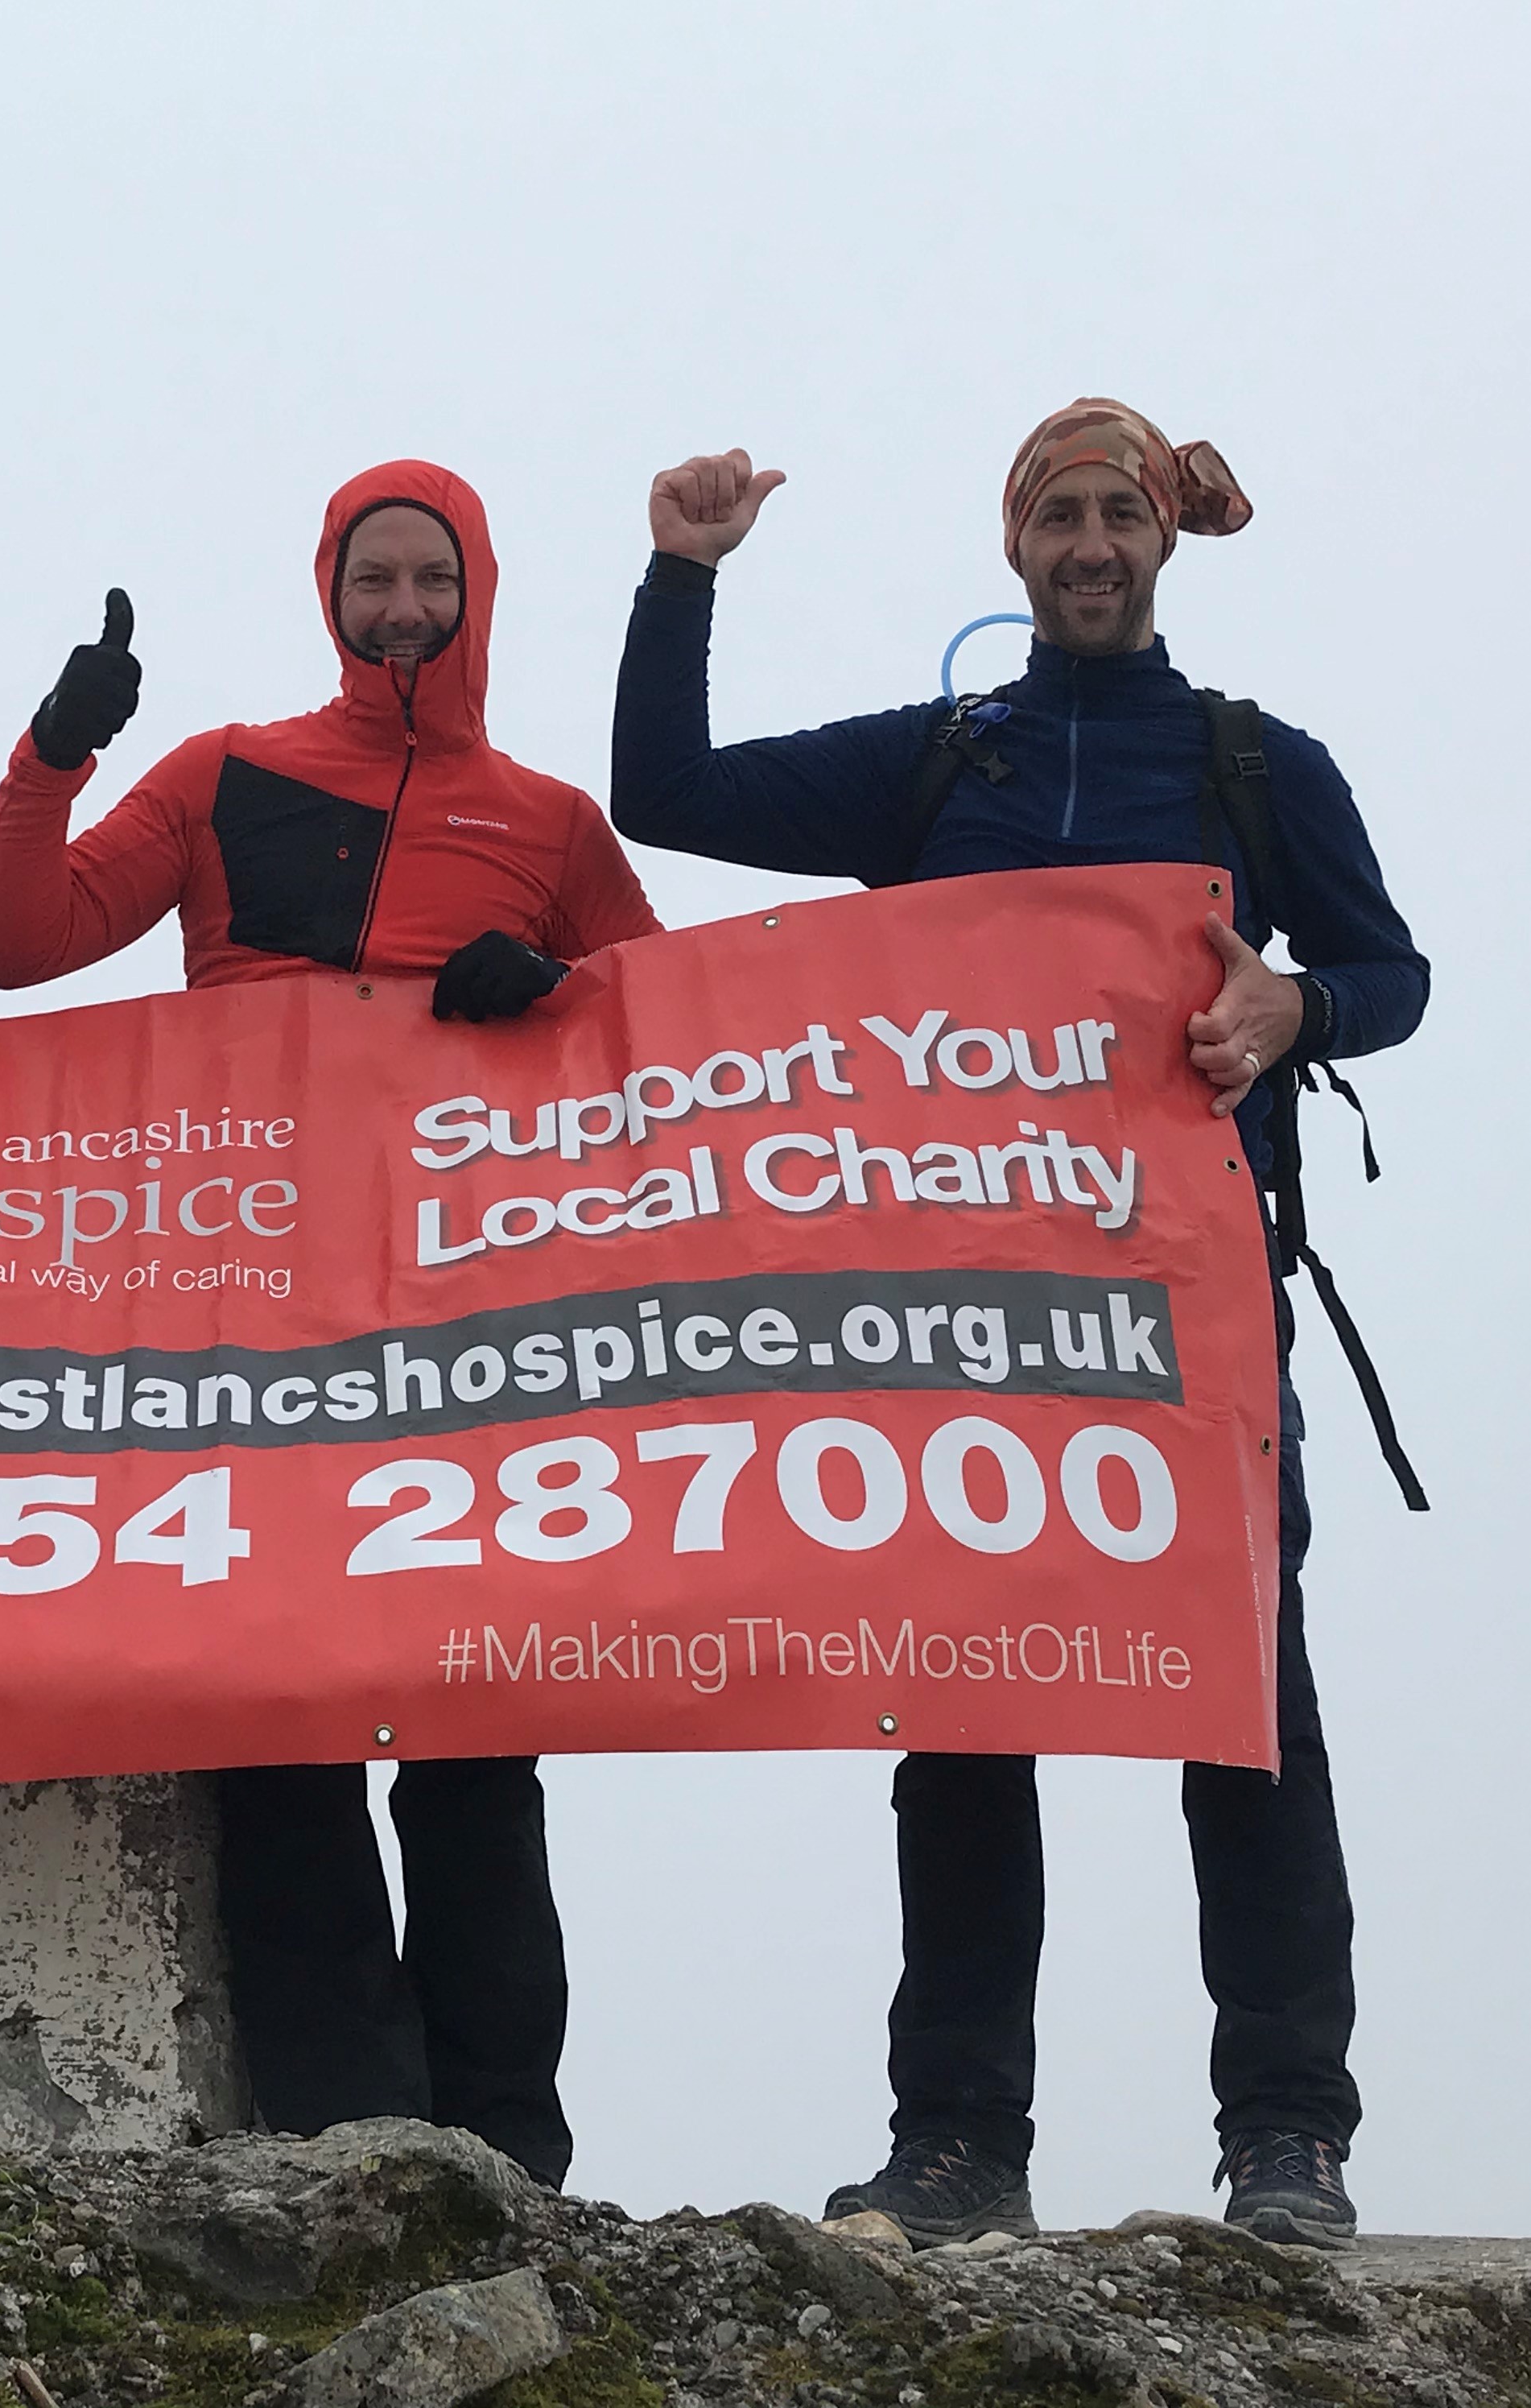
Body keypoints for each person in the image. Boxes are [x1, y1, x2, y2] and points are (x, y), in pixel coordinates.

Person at [606, 405, 1430, 2249]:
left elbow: (1394, 975)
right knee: (967, 1713)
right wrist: (683, 574)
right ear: (1015, 551)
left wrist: (1295, 1010)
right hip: (964, 1331)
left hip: (1192, 1311)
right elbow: (664, 794)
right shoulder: (936, 764)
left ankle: (1289, 2137)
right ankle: (959, 2148)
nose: (1087, 542)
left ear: (1161, 545)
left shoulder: (1251, 765)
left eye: (1115, 513)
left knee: (1246, 1707)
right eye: (1055, 514)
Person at [0, 460, 661, 2186]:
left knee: (478, 1755)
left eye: (432, 578)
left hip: (469, 1336)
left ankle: (507, 2156)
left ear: (477, 593)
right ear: (331, 597)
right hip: (247, 1329)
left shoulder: (555, 822)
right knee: (280, 1747)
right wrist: (56, 754)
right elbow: (9, 941)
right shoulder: (223, 776)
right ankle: (350, 2138)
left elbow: (676, 1051)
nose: (403, 609)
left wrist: (554, 998)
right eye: (374, 580)